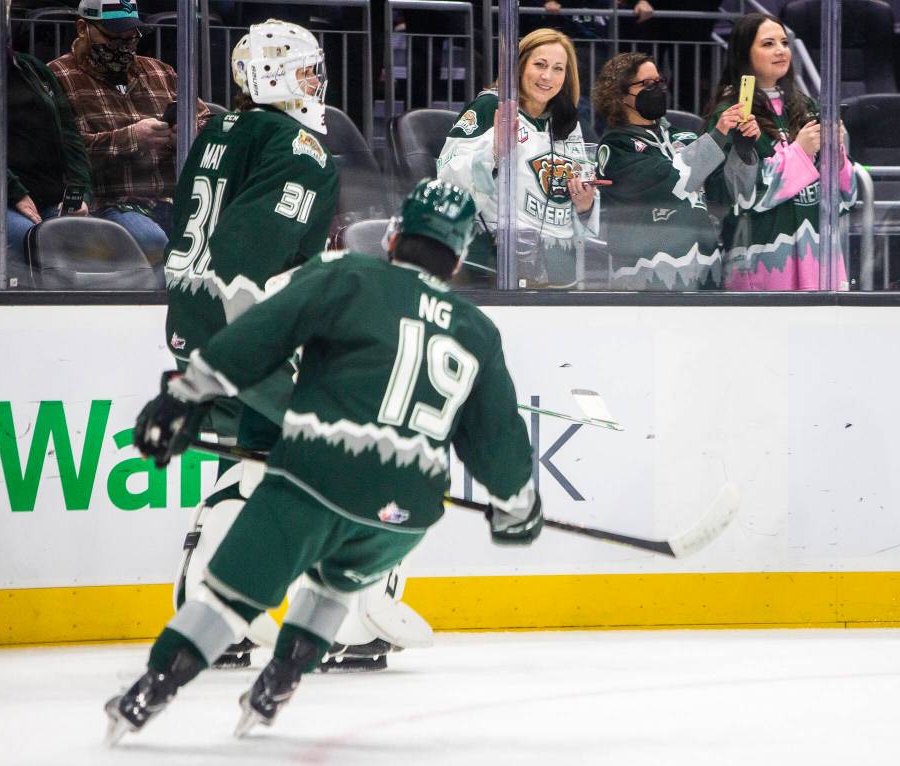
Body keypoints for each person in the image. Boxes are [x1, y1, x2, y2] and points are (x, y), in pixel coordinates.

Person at [104, 179, 542, 744]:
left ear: (394, 236)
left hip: (316, 477)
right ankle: (280, 680)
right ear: (458, 259)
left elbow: (260, 335)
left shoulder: (347, 274)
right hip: (405, 513)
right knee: (335, 585)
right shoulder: (478, 330)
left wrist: (187, 393)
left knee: (231, 597)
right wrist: (516, 505)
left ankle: (152, 690)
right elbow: (497, 440)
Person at [160, 18, 340, 668]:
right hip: (242, 326)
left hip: (191, 318)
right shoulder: (300, 147)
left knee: (248, 453)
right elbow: (245, 259)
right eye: (304, 69)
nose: (316, 81)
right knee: (328, 453)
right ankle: (341, 614)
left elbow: (196, 231)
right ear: (269, 75)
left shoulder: (219, 130)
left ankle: (205, 611)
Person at [47, 0, 211, 274]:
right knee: (154, 243)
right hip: (112, 204)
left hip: (176, 199)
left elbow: (208, 120)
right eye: (114, 36)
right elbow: (63, 151)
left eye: (131, 36)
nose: (124, 44)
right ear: (83, 28)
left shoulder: (161, 71)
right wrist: (131, 139)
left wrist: (191, 129)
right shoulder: (57, 76)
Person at [704, 12, 858, 291]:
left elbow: (846, 199)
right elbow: (742, 197)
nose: (780, 50)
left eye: (785, 43)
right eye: (767, 44)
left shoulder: (808, 106)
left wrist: (837, 154)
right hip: (761, 259)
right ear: (743, 54)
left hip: (820, 259)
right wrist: (800, 151)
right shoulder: (731, 114)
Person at [437, 27, 600, 287]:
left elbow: (576, 192)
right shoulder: (490, 107)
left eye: (559, 68)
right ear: (521, 66)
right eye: (540, 65)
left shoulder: (567, 121)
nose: (548, 76)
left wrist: (586, 204)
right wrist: (493, 152)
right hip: (493, 265)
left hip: (561, 267)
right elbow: (447, 181)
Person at [592, 52, 760, 290]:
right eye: (647, 84)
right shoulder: (616, 146)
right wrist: (717, 135)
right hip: (645, 278)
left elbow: (731, 196)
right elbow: (674, 183)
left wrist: (742, 153)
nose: (657, 89)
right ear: (619, 95)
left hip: (706, 272)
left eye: (659, 82)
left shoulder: (688, 138)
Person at [0, 0, 93, 288]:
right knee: (30, 240)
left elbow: (69, 136)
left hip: (49, 198)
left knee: (88, 238)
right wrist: (14, 193)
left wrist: (81, 193)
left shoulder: (33, 69)